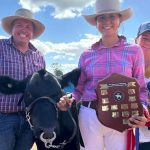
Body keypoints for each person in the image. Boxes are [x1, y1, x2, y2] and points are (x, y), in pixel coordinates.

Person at [57, 0, 149, 150]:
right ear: (96, 22)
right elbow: (79, 90)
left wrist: (143, 109)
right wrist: (70, 99)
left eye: (112, 16)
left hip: (123, 115)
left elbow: (141, 88)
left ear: (119, 20)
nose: (107, 21)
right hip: (89, 115)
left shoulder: (134, 51)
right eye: (102, 18)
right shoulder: (86, 54)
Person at [0, 8, 45, 150]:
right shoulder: (1, 47)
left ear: (32, 32)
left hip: (30, 119)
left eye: (28, 27)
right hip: (3, 117)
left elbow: (42, 87)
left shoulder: (39, 56)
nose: (23, 30)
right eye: (19, 25)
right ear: (12, 28)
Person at [135, 22, 150, 150]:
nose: (148, 43)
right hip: (124, 139)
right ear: (136, 40)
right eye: (145, 38)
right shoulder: (124, 70)